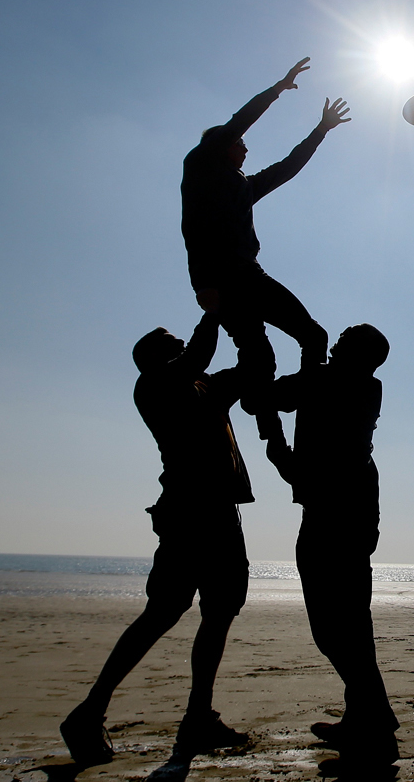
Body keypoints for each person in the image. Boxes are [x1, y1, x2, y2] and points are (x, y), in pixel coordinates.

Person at [59, 313, 260, 765]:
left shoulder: (204, 387)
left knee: (218, 612)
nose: (179, 342)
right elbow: (199, 353)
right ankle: (91, 712)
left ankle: (197, 718)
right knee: (164, 612)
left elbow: (249, 371)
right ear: (148, 359)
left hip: (220, 515)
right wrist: (216, 310)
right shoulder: (153, 386)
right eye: (167, 342)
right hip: (190, 515)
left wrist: (249, 331)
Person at [181, 57, 352, 430]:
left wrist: (320, 130)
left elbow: (287, 168)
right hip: (227, 278)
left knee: (271, 358)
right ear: (219, 145)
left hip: (244, 275)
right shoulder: (200, 165)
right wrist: (278, 88)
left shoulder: (243, 186)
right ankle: (293, 412)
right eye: (239, 143)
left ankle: (273, 418)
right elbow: (238, 121)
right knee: (298, 342)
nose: (245, 148)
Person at [259, 324, 400, 771]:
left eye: (346, 339)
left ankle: (374, 721)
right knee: (353, 627)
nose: (335, 342)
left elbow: (261, 398)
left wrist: (275, 439)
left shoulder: (328, 381)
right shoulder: (363, 386)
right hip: (353, 513)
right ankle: (364, 718)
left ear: (359, 354)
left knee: (332, 629)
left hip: (332, 518)